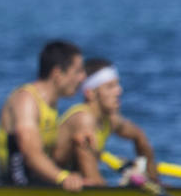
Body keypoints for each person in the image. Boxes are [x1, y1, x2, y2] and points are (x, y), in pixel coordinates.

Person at [0, 39, 87, 188]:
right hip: (18, 181)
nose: (83, 78)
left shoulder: (51, 102)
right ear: (57, 73)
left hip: (38, 177)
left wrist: (75, 141)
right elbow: (31, 154)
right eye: (78, 71)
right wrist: (63, 178)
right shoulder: (27, 100)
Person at [54, 58, 159, 186]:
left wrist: (153, 180)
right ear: (90, 93)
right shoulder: (83, 120)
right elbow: (94, 181)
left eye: (117, 85)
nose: (119, 91)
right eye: (110, 87)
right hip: (48, 185)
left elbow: (140, 136)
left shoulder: (109, 119)